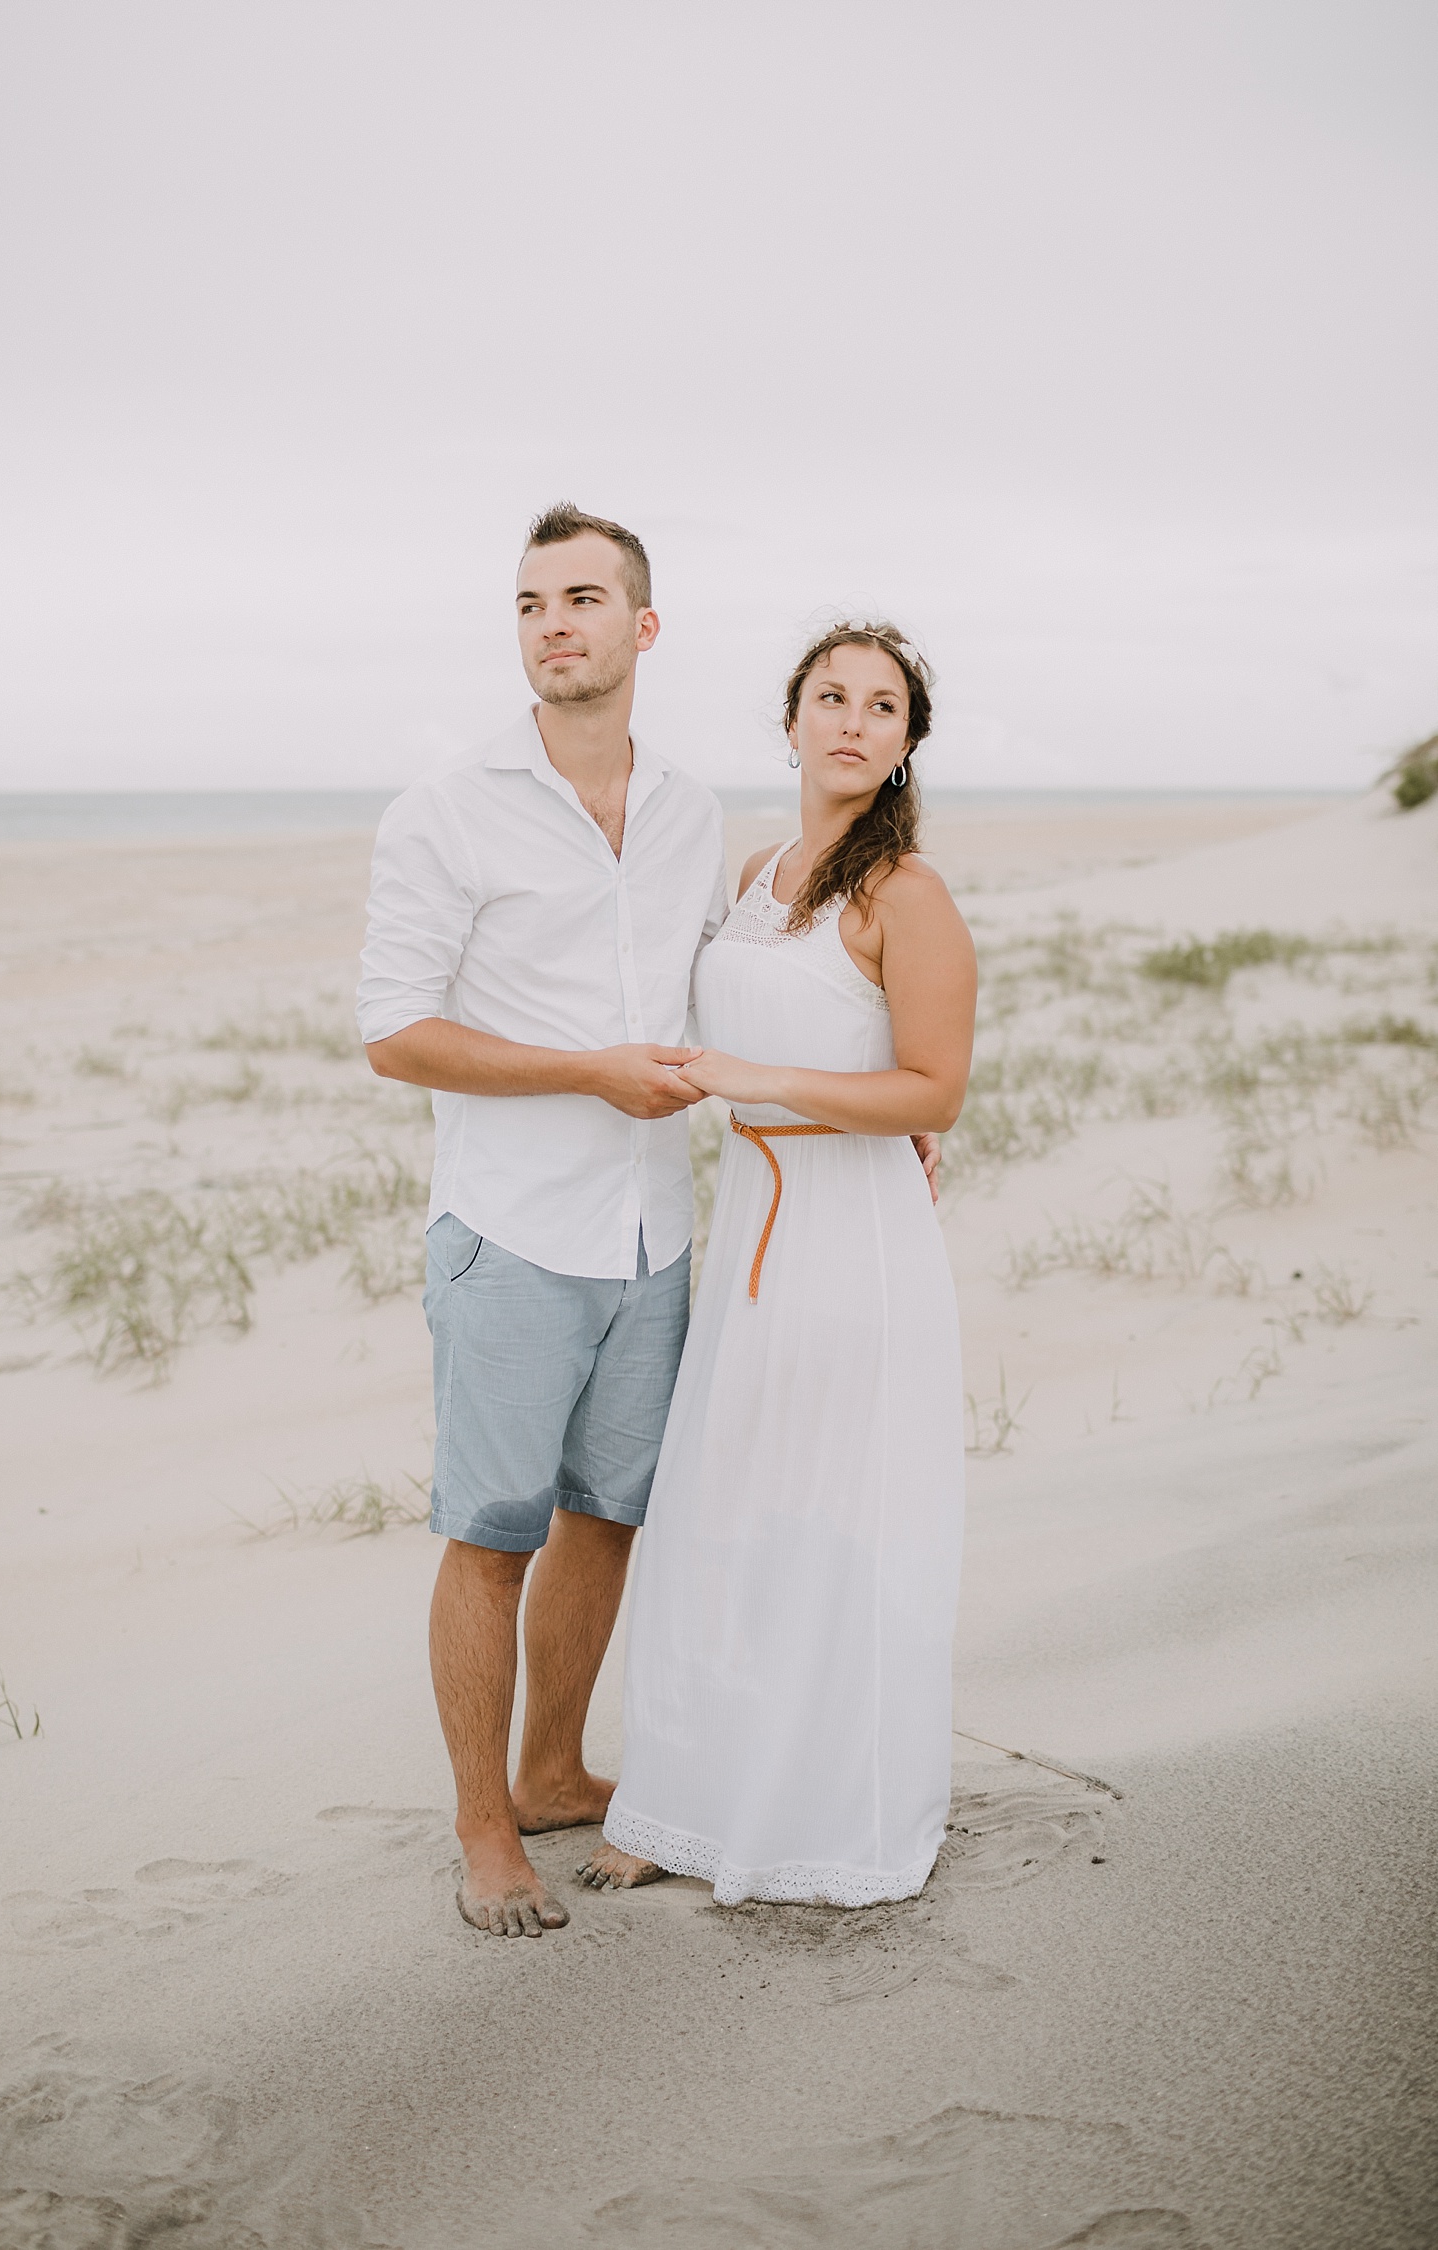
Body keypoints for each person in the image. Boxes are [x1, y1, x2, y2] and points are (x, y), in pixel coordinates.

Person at [356, 503, 728, 1937]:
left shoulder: (692, 809)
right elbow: (395, 1032)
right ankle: (482, 1824)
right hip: (512, 1232)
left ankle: (558, 1765)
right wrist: (586, 1070)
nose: (553, 622)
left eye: (583, 597)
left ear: (642, 626)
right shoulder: (445, 807)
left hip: (653, 1236)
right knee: (493, 1531)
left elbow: (725, 983)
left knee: (607, 1514)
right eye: (531, 602)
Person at [583, 620, 976, 1908]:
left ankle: (822, 1811)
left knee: (834, 1517)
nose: (853, 721)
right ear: (793, 719)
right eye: (830, 697)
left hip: (852, 1242)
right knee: (718, 1506)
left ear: (908, 741)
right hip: (751, 1219)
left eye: (882, 706)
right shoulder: (758, 872)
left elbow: (937, 1089)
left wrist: (759, 1080)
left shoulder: (904, 895)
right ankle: (684, 1800)